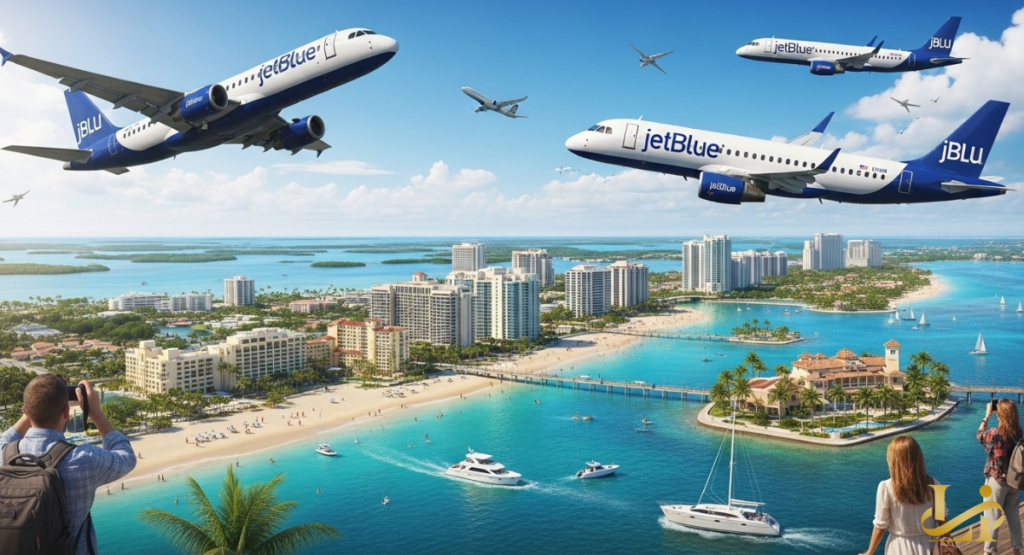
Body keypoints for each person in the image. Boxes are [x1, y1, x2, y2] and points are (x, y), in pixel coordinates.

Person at [0, 375, 136, 555]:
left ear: (25, 411)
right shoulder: (83, 458)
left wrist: (35, 409)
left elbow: (8, 436)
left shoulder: (5, 454)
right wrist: (95, 412)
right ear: (66, 412)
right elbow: (126, 456)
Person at [859, 435, 940, 555]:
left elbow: (881, 525)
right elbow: (941, 519)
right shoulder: (933, 484)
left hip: (899, 547)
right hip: (927, 545)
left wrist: (869, 552)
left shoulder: (886, 487)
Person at [977, 398, 1023, 555]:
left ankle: (989, 552)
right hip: (1014, 480)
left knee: (991, 517)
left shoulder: (994, 434)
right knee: (1013, 516)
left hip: (996, 480)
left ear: (1000, 414)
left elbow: (979, 435)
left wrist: (987, 415)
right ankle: (1016, 550)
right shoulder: (1019, 433)